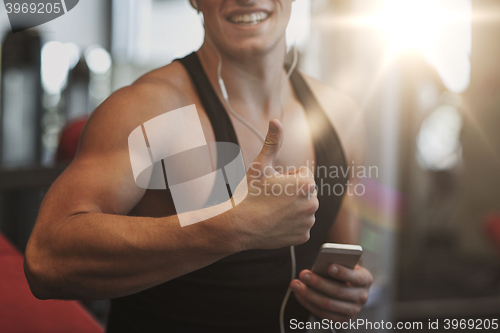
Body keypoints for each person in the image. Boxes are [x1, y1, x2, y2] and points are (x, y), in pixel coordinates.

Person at [24, 0, 373, 332]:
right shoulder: (152, 108)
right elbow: (46, 258)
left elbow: (338, 264)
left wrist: (344, 294)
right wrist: (233, 227)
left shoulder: (340, 118)